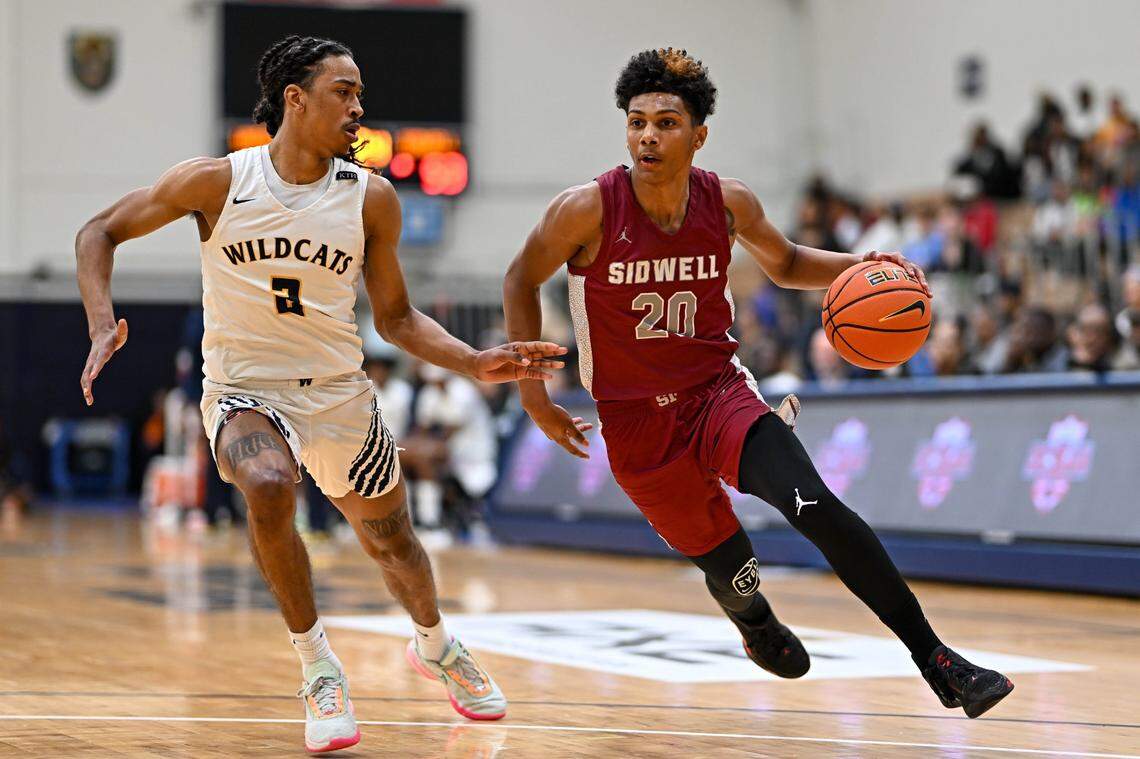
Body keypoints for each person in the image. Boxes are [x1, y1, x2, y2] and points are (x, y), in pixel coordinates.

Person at [75, 35, 566, 753]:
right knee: (269, 484)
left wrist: (473, 360)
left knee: (393, 540)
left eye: (360, 92)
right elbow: (100, 231)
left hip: (337, 394)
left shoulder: (371, 197)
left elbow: (395, 318)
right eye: (345, 90)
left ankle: (434, 644)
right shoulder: (216, 182)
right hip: (245, 389)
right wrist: (96, 325)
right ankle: (318, 667)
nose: (359, 107)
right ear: (295, 99)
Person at [502, 47, 1014, 718]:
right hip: (635, 424)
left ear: (699, 134)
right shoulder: (588, 209)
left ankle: (939, 660)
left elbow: (789, 260)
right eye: (636, 122)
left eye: (666, 122)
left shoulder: (729, 201)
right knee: (733, 568)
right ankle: (752, 618)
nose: (648, 136)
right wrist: (533, 392)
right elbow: (519, 277)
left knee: (815, 505)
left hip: (718, 393)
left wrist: (861, 265)